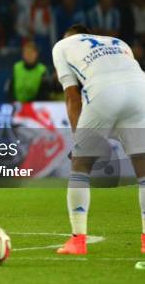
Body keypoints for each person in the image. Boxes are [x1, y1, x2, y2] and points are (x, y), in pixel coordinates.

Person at [52, 24, 145, 255]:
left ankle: (78, 241)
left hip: (104, 92)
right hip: (141, 91)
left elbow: (73, 97)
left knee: (80, 167)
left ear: (69, 36)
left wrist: (79, 141)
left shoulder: (62, 45)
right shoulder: (118, 42)